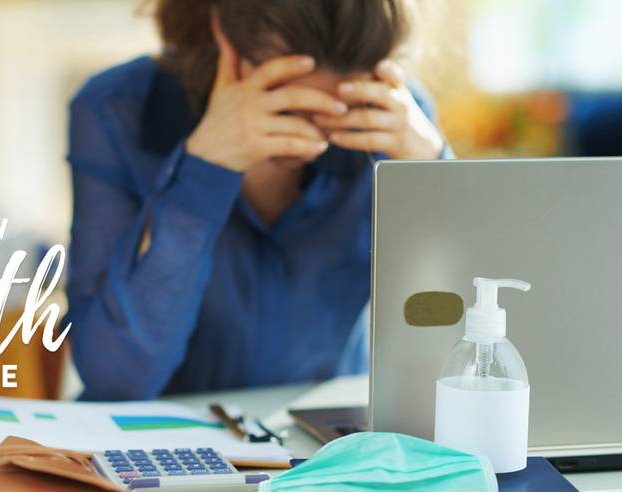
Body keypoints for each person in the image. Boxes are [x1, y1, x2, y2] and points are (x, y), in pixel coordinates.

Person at [65, 0, 451, 400]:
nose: (312, 134)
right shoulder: (117, 109)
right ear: (223, 35)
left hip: (331, 448)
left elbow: (469, 343)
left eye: (339, 109)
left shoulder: (396, 122)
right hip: (166, 444)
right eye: (288, 105)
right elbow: (116, 379)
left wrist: (437, 178)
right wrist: (202, 172)